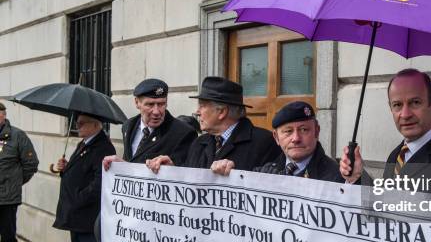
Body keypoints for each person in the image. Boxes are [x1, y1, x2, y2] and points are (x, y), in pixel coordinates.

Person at [339, 69, 431, 196]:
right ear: (390, 108)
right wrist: (357, 177)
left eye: (415, 102)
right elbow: (384, 205)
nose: (405, 114)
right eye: (397, 105)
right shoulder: (396, 155)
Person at [146, 77, 280, 173]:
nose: (197, 112)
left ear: (221, 112)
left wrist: (235, 172)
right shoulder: (199, 142)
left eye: (202, 106)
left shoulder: (264, 142)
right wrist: (173, 169)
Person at [54, 113, 115, 242]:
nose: (77, 126)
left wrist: (78, 199)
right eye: (77, 122)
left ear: (96, 124)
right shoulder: (84, 144)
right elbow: (77, 172)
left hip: (87, 215)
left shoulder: (103, 147)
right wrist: (61, 168)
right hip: (74, 214)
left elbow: (99, 183)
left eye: (82, 123)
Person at [235, 101, 343, 182]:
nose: (296, 138)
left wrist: (355, 179)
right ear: (276, 137)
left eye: (304, 130)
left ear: (316, 131)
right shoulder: (264, 170)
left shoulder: (336, 177)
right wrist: (226, 174)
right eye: (288, 131)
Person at [102, 78, 197, 170]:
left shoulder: (183, 133)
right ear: (137, 102)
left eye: (161, 104)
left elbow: (186, 172)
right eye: (150, 104)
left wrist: (172, 167)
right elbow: (131, 160)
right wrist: (120, 166)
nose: (156, 111)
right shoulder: (128, 126)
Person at [0, 102, 39, 242]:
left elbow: (31, 163)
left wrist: (14, 183)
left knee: (7, 240)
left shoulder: (17, 136)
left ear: (3, 115)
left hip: (7, 199)